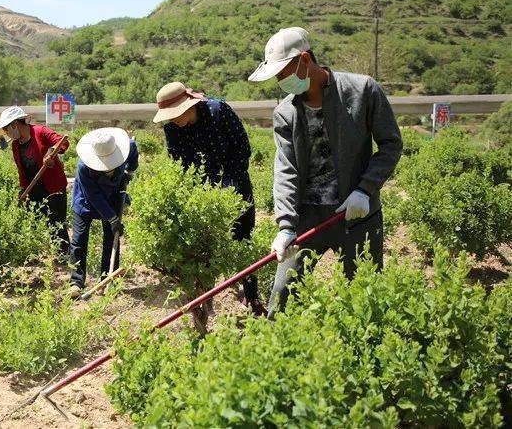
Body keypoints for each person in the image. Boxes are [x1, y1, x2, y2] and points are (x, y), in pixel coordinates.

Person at [248, 27, 403, 319]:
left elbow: (391, 144)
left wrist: (364, 190)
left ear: (305, 59)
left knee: (365, 301)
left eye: (284, 73)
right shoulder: (285, 113)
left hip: (357, 215)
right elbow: (286, 169)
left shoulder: (363, 91)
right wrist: (285, 226)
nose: (281, 81)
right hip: (308, 218)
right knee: (282, 300)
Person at [153, 81, 266, 319]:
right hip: (201, 194)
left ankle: (252, 296)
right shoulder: (172, 130)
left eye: (175, 115)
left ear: (188, 106)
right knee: (202, 248)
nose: (173, 120)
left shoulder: (218, 111)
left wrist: (228, 190)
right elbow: (179, 168)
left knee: (242, 240)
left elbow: (242, 149)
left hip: (235, 185)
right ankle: (204, 299)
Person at [0, 106, 70, 256]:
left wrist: (51, 153)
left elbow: (62, 141)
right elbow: (21, 170)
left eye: (7, 130)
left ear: (15, 124)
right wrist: (22, 189)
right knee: (34, 221)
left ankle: (64, 256)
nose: (7, 134)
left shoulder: (40, 132)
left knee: (56, 223)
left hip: (53, 186)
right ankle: (37, 254)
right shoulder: (16, 145)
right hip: (34, 188)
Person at [69, 127, 138, 295]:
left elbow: (133, 148)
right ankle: (76, 282)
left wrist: (129, 170)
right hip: (85, 200)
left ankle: (108, 278)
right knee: (79, 239)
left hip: (113, 194)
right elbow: (93, 196)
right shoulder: (84, 167)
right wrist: (112, 217)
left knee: (111, 237)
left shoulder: (125, 148)